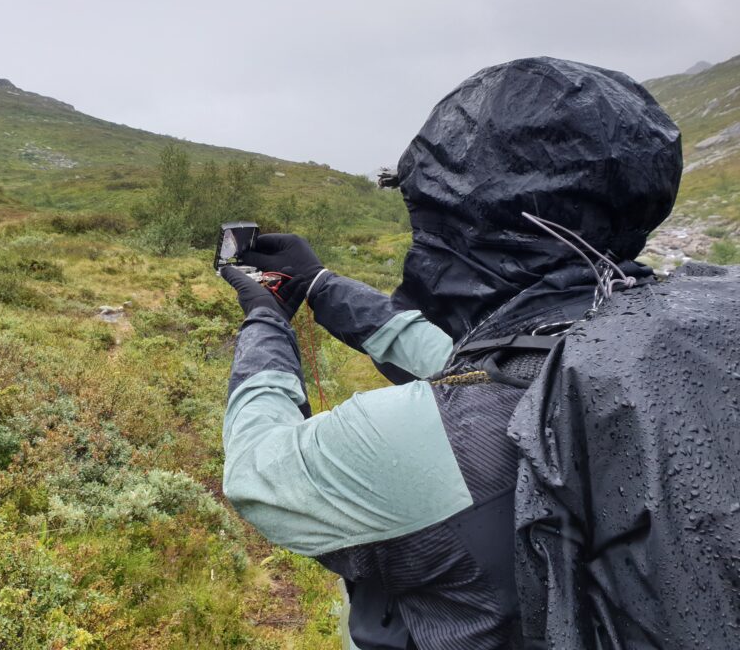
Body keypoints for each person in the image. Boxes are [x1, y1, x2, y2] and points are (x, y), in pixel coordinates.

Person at [219, 57, 683, 650]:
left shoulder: (426, 440)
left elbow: (259, 473)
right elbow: (484, 363)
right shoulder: (645, 334)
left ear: (456, 218)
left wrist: (264, 323)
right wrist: (319, 284)